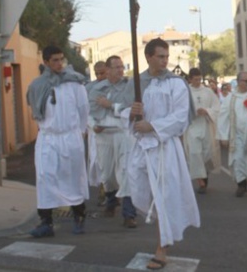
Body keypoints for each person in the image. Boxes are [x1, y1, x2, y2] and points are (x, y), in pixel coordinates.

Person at [124, 38, 200, 270]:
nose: (165, 61)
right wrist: (131, 113)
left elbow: (180, 117)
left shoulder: (175, 84)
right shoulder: (137, 83)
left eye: (167, 56)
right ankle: (164, 230)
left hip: (165, 149)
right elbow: (124, 110)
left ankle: (162, 247)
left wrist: (153, 127)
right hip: (141, 148)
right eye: (160, 56)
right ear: (148, 57)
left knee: (164, 197)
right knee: (141, 191)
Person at [26, 45, 90, 237]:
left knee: (72, 176)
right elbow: (36, 111)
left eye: (61, 59)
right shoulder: (37, 85)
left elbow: (83, 110)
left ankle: (78, 215)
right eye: (54, 60)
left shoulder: (74, 83)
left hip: (70, 137)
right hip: (48, 137)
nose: (59, 63)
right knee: (45, 177)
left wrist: (80, 132)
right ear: (45, 62)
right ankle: (46, 222)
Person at [88, 55, 137, 228]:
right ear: (107, 70)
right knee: (107, 174)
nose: (121, 70)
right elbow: (88, 111)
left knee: (125, 172)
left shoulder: (129, 87)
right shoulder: (95, 89)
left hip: (123, 134)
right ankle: (111, 200)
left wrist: (110, 105)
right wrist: (93, 125)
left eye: (122, 67)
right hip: (103, 136)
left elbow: (131, 109)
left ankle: (129, 214)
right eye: (116, 67)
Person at [184, 68, 221, 194]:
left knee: (207, 153)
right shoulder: (185, 92)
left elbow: (216, 107)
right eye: (195, 79)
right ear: (190, 79)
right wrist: (192, 113)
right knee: (195, 153)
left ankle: (204, 175)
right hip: (192, 126)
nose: (198, 82)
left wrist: (207, 111)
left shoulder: (208, 92)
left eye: (200, 79)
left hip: (205, 125)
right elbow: (180, 108)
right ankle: (201, 181)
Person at [85, 61, 107, 206]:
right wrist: (92, 126)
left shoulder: (116, 87)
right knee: (98, 162)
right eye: (97, 73)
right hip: (95, 131)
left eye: (102, 73)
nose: (99, 76)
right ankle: (103, 190)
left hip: (113, 131)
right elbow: (84, 111)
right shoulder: (89, 89)